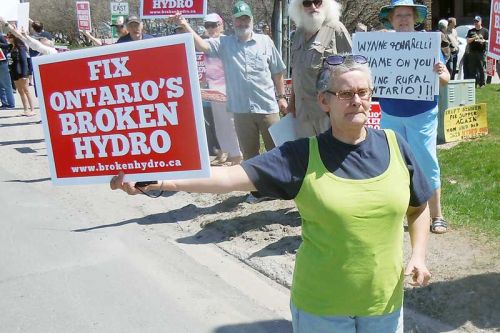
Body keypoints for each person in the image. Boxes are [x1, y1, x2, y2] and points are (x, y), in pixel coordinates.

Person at [110, 54, 432, 332]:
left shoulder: (395, 145)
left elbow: (418, 207)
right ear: (324, 101)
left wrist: (417, 254)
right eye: (345, 93)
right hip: (322, 308)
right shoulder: (301, 156)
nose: (356, 100)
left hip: (385, 303)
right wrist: (162, 179)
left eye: (362, 92)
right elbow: (229, 178)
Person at [170, 1, 287, 161]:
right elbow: (203, 46)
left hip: (267, 107)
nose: (243, 22)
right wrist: (185, 24)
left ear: (251, 19)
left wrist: (281, 97)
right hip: (241, 110)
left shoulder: (265, 41)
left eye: (246, 18)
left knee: (277, 153)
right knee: (250, 156)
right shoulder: (225, 43)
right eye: (239, 19)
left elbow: (277, 71)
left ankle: (279, 186)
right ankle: (255, 187)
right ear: (233, 21)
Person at [378, 0, 450, 234]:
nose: (403, 19)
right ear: (391, 19)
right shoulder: (381, 44)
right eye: (398, 15)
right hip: (390, 113)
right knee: (394, 164)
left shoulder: (427, 44)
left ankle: (437, 215)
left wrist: (440, 73)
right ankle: (399, 212)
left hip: (422, 114)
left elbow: (445, 79)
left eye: (407, 15)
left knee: (426, 162)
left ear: (415, 19)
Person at [287, 0, 352, 138]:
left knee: (330, 156)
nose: (313, 7)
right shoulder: (298, 33)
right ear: (299, 7)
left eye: (317, 2)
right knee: (307, 156)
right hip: (302, 112)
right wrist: (292, 103)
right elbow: (297, 72)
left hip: (327, 114)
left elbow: (352, 70)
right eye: (307, 3)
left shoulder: (336, 29)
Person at [203, 13, 243, 166]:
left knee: (232, 124)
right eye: (208, 25)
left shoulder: (227, 42)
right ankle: (226, 152)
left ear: (221, 25)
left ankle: (237, 155)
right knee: (220, 124)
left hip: (228, 89)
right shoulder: (205, 44)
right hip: (213, 90)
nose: (211, 28)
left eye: (214, 25)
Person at [5, 32, 36, 116]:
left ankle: (32, 109)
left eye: (9, 37)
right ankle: (25, 109)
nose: (8, 39)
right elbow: (3, 46)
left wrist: (25, 74)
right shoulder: (11, 47)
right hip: (14, 71)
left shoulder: (21, 47)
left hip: (22, 72)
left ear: (14, 38)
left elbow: (24, 61)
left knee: (26, 90)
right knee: (20, 91)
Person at [465, 16, 489, 88]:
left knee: (482, 68)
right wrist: (475, 38)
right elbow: (468, 41)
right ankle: (473, 84)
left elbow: (488, 40)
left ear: (481, 22)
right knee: (472, 69)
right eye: (475, 21)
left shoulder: (485, 31)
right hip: (472, 52)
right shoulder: (471, 31)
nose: (476, 23)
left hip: (481, 52)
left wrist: (483, 41)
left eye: (477, 21)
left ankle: (482, 83)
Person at [0, 31, 15, 110]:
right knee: (1, 86)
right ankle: (4, 103)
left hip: (2, 62)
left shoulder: (1, 36)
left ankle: (11, 103)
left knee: (6, 85)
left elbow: (8, 46)